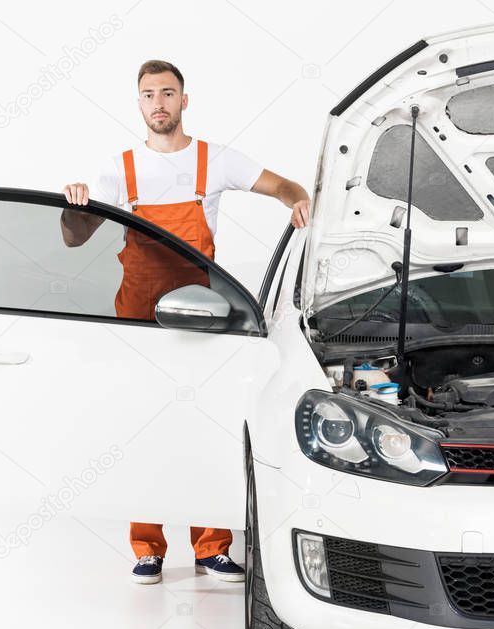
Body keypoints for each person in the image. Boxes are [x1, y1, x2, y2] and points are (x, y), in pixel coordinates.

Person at [61, 59, 310, 584]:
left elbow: (285, 186)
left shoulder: (213, 160)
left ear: (184, 100)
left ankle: (211, 547)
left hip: (203, 317)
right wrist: (75, 205)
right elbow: (72, 237)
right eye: (149, 94)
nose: (159, 103)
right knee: (138, 425)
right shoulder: (118, 168)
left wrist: (299, 202)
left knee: (207, 423)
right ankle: (147, 548)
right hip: (136, 316)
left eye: (168, 93)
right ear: (139, 104)